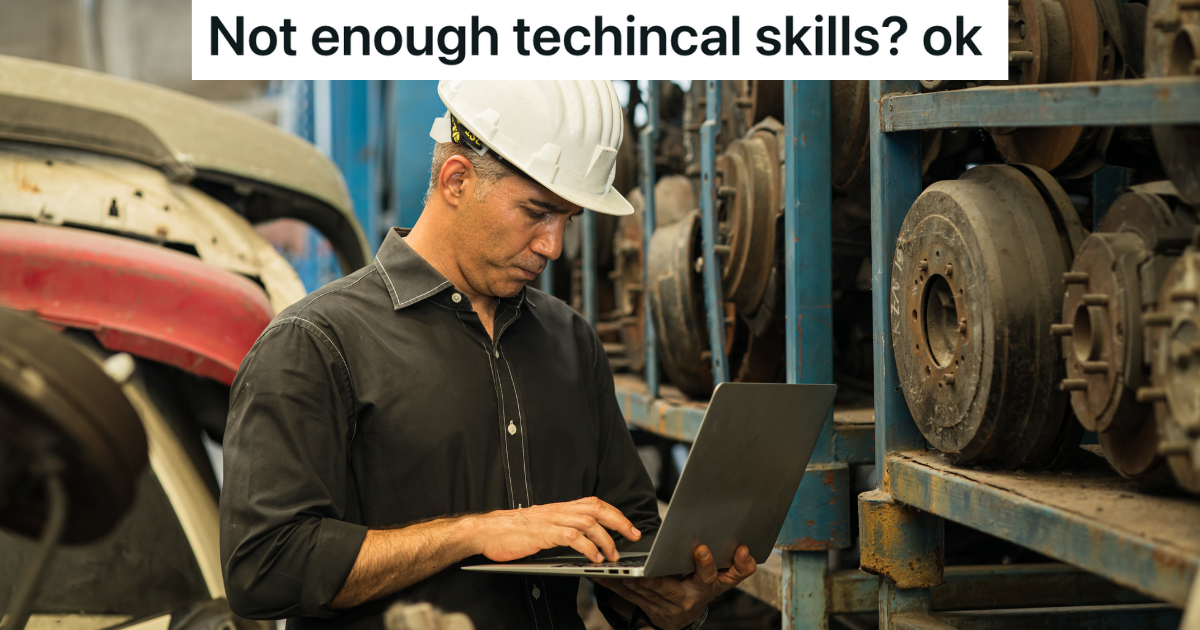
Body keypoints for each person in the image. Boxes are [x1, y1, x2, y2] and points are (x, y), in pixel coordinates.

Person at [219, 80, 755, 630]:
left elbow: (625, 543)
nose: (554, 246)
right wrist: (474, 533)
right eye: (536, 213)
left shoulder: (570, 340)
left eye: (567, 220)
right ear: (457, 180)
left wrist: (669, 604)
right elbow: (263, 569)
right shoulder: (315, 343)